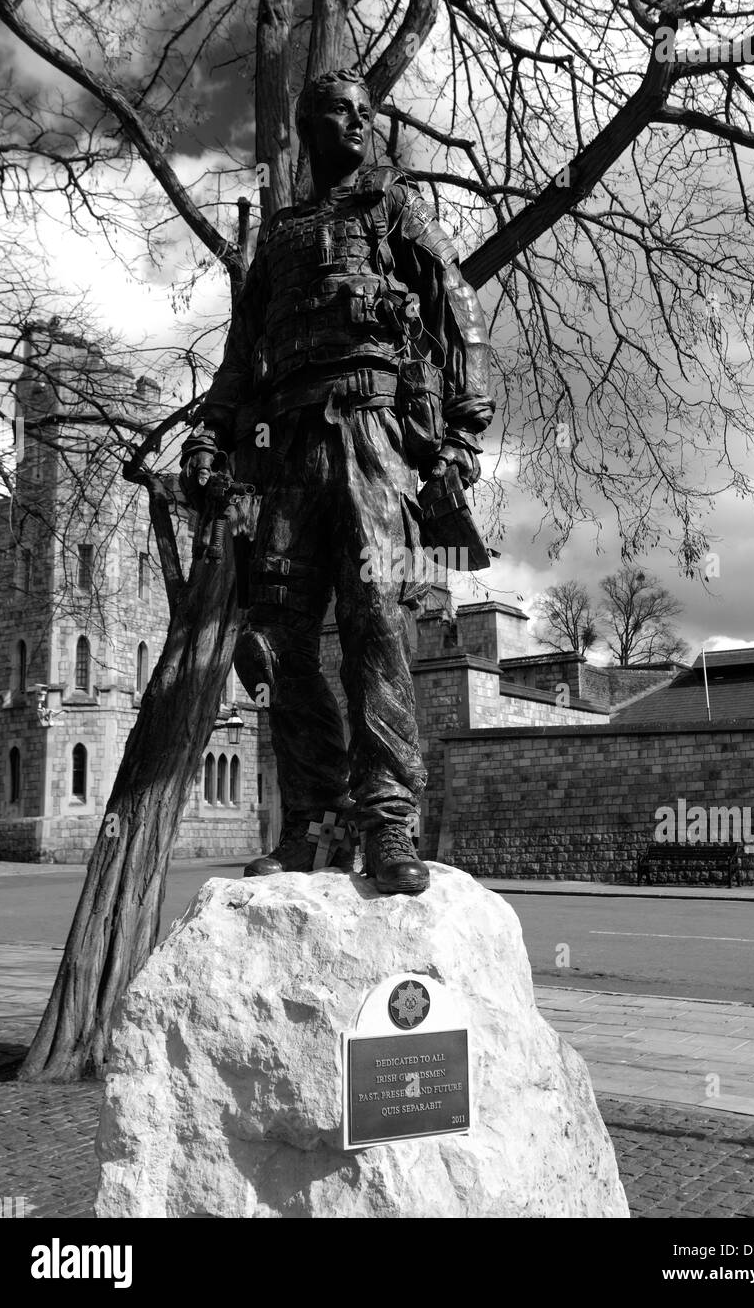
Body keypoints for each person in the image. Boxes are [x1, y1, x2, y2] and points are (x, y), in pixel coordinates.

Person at [180, 67, 494, 894]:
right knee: (274, 645)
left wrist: (460, 442)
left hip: (374, 440)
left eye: (366, 114)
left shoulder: (395, 210)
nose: (355, 125)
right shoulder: (279, 238)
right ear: (306, 126)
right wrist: (210, 438)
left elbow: (462, 324)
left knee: (377, 630)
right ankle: (315, 821)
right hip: (286, 454)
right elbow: (239, 360)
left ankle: (390, 821)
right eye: (337, 113)